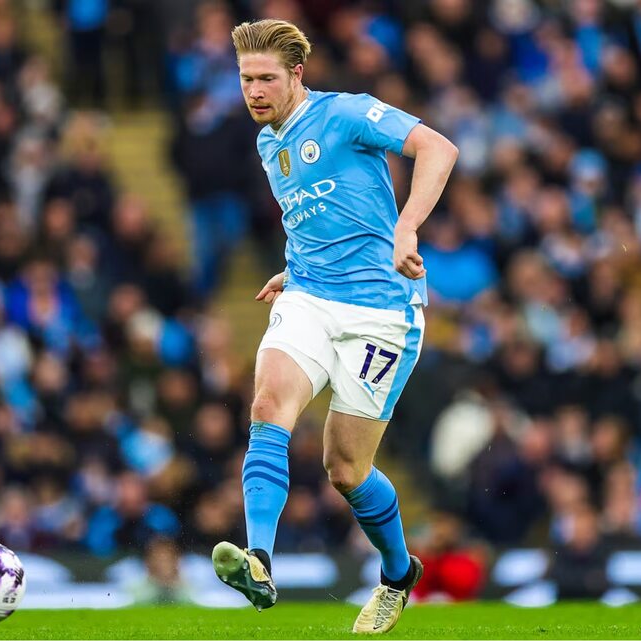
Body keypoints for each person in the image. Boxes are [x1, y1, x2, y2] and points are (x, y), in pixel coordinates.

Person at [210, 19, 458, 634]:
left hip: (382, 310)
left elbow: (439, 148)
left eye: (266, 78)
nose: (254, 91)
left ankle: (398, 575)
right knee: (268, 403)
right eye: (246, 79)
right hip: (311, 298)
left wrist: (407, 227)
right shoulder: (269, 143)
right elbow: (318, 217)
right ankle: (259, 559)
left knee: (344, 469)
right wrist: (292, 271)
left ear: (297, 74)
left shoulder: (347, 113)